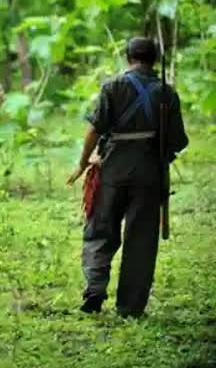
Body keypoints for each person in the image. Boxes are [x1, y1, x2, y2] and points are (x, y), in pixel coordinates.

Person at [67, 37, 188, 317]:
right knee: (141, 238)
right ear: (154, 60)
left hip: (113, 170)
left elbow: (94, 130)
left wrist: (84, 163)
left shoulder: (112, 87)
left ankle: (95, 291)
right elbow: (178, 140)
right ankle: (130, 307)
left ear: (128, 57)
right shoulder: (167, 94)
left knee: (100, 229)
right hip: (149, 173)